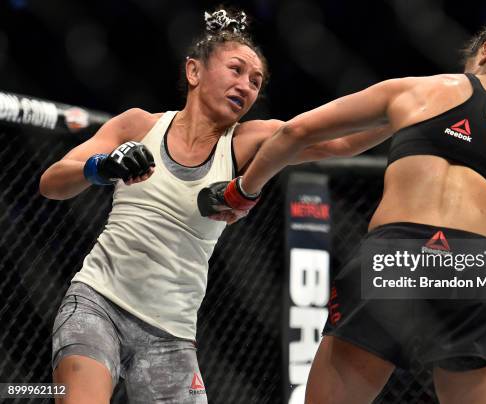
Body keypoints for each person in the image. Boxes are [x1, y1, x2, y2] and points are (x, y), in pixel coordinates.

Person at [201, 2, 486, 403]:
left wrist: (243, 190)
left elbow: (297, 131)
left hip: (394, 254)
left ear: (484, 51)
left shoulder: (419, 90)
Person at [40, 8, 393, 404]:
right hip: (96, 305)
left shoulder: (247, 142)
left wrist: (406, 111)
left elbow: (344, 143)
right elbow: (52, 182)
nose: (246, 85)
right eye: (236, 70)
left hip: (171, 336)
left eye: (256, 81)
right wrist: (101, 166)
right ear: (194, 72)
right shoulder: (138, 125)